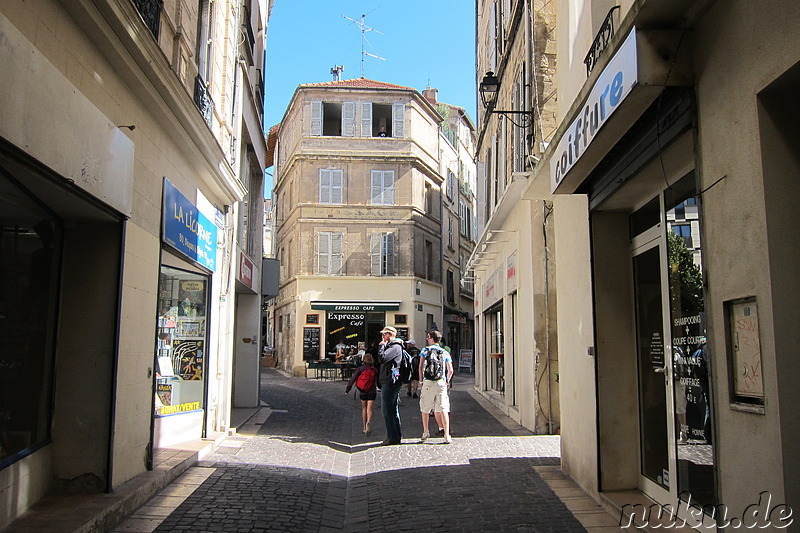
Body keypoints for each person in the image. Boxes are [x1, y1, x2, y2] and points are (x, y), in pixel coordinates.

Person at [418, 329, 454, 444]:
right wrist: (447, 381)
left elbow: (420, 366)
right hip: (440, 383)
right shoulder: (444, 352)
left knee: (425, 408)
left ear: (432, 339)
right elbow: (451, 370)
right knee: (443, 408)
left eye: (428, 337)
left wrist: (421, 381)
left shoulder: (425, 351)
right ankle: (446, 435)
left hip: (428, 382)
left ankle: (425, 431)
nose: (427, 339)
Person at [378, 326, 404, 445]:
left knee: (387, 410)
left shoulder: (394, 347)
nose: (383, 337)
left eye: (384, 334)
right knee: (393, 410)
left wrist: (381, 346)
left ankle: (392, 437)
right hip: (390, 381)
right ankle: (396, 436)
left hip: (390, 382)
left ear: (390, 335)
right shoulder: (394, 347)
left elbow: (382, 358)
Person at [345, 353, 377, 435]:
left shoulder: (360, 369)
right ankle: (369, 422)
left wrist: (348, 389)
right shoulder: (374, 369)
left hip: (363, 391)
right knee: (370, 409)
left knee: (364, 408)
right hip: (372, 391)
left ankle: (364, 427)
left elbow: (353, 379)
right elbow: (379, 381)